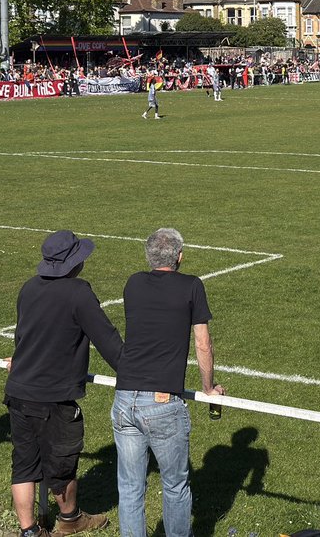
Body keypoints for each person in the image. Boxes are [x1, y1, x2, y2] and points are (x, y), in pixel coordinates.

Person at [5, 230, 123, 537]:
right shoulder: (78, 292)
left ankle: (29, 531)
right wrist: (134, 371)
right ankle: (70, 520)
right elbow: (108, 340)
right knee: (61, 463)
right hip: (52, 396)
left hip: (18, 390)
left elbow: (22, 335)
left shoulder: (29, 287)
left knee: (24, 465)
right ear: (74, 263)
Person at [111, 228, 225, 537]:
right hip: (162, 402)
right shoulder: (191, 286)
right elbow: (203, 343)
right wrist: (208, 388)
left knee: (131, 485)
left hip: (124, 399)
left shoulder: (133, 283)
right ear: (180, 257)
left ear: (149, 256)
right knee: (174, 485)